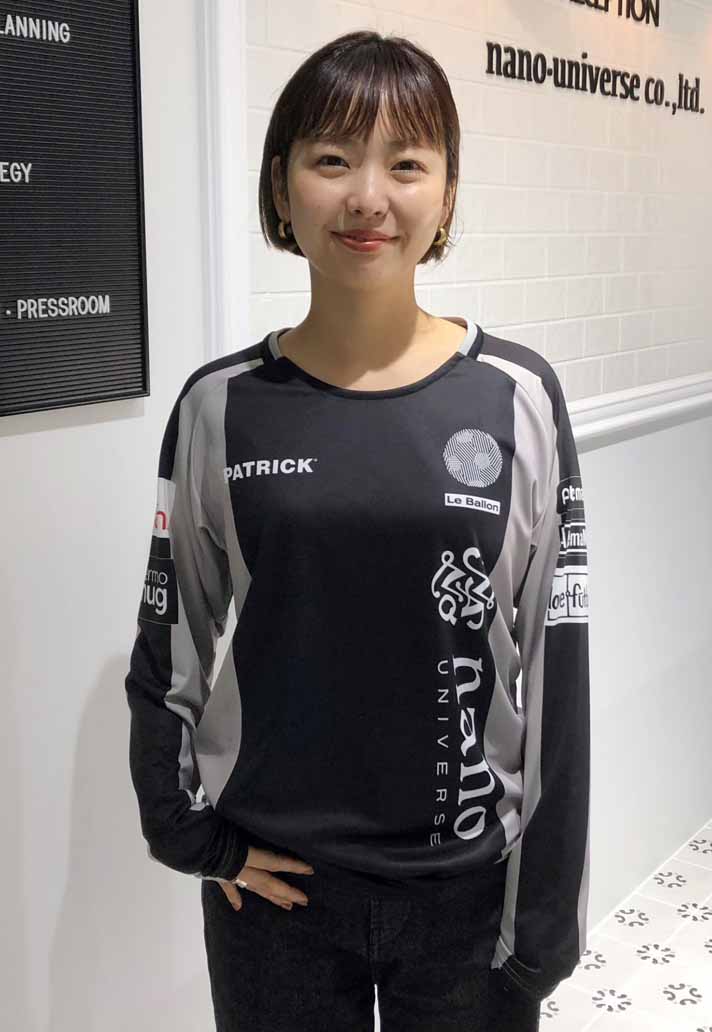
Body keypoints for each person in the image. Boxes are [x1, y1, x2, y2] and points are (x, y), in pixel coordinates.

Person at [124, 29, 591, 1032]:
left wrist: (546, 915)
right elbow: (171, 638)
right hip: (274, 896)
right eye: (332, 158)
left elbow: (557, 662)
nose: (368, 197)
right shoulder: (219, 406)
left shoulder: (515, 396)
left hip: (467, 893)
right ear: (281, 185)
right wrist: (186, 832)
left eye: (406, 164)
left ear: (447, 193)